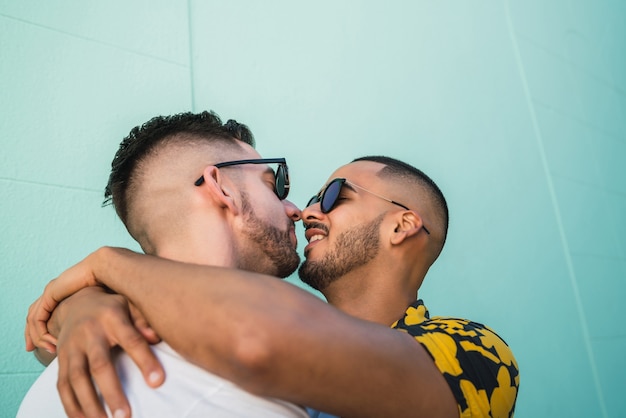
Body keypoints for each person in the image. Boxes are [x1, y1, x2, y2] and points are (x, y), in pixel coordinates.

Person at [26, 130, 520, 417]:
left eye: (332, 196)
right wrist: (90, 302)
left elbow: (263, 338)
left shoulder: (476, 353)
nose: (306, 212)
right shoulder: (195, 343)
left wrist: (113, 268)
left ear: (402, 223)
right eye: (305, 197)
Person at [18, 111, 311, 418]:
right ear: (222, 187)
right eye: (273, 185)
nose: (294, 209)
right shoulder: (244, 391)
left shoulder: (69, 362)